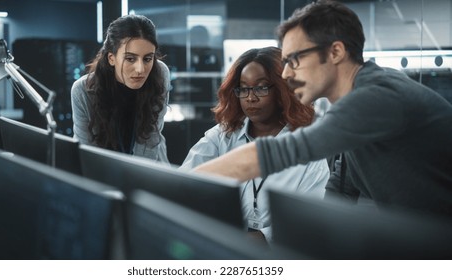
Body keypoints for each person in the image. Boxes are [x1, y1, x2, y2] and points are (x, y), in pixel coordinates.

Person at [194, 0, 452, 218]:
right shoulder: (354, 109)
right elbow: (340, 193)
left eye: (295, 59)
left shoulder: (377, 96)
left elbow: (280, 152)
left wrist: (182, 189)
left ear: (336, 52)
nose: (286, 73)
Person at [180, 47, 330, 242]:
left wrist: (257, 238)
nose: (250, 97)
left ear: (284, 90)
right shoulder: (222, 136)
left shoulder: (309, 152)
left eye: (261, 87)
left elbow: (307, 225)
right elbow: (183, 184)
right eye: (243, 88)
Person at [71, 15, 170, 162]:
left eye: (148, 58)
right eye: (130, 59)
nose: (140, 69)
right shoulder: (83, 91)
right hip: (101, 173)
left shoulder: (159, 73)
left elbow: (150, 138)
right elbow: (86, 153)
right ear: (111, 58)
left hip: (149, 168)